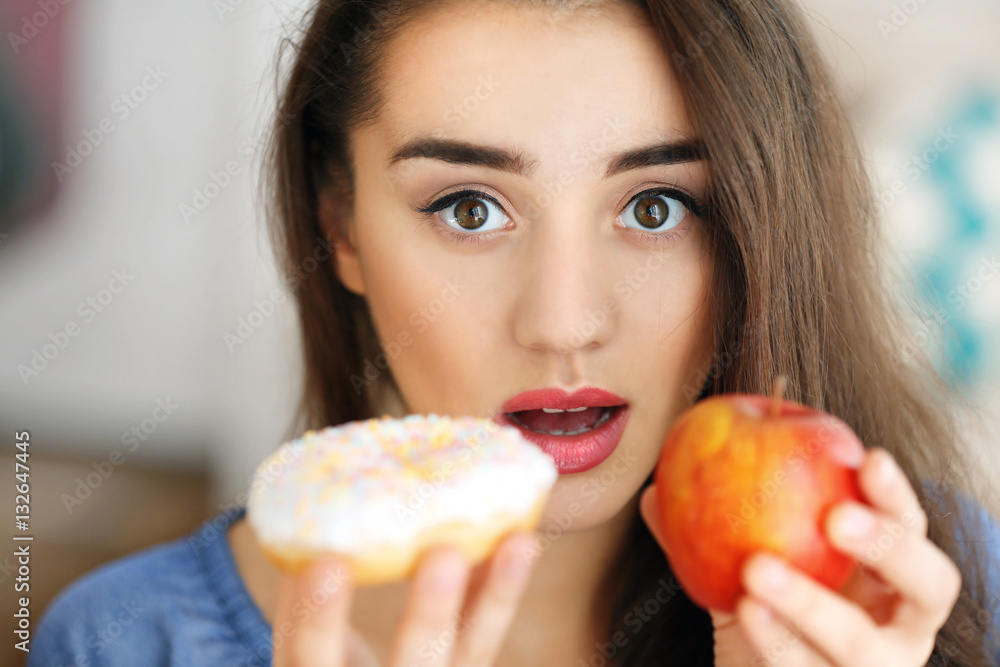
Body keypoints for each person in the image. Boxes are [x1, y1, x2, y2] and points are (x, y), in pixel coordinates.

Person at [30, 0, 1000, 665]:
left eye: (656, 207)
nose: (564, 320)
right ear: (341, 226)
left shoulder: (929, 594)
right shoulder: (126, 640)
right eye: (467, 209)